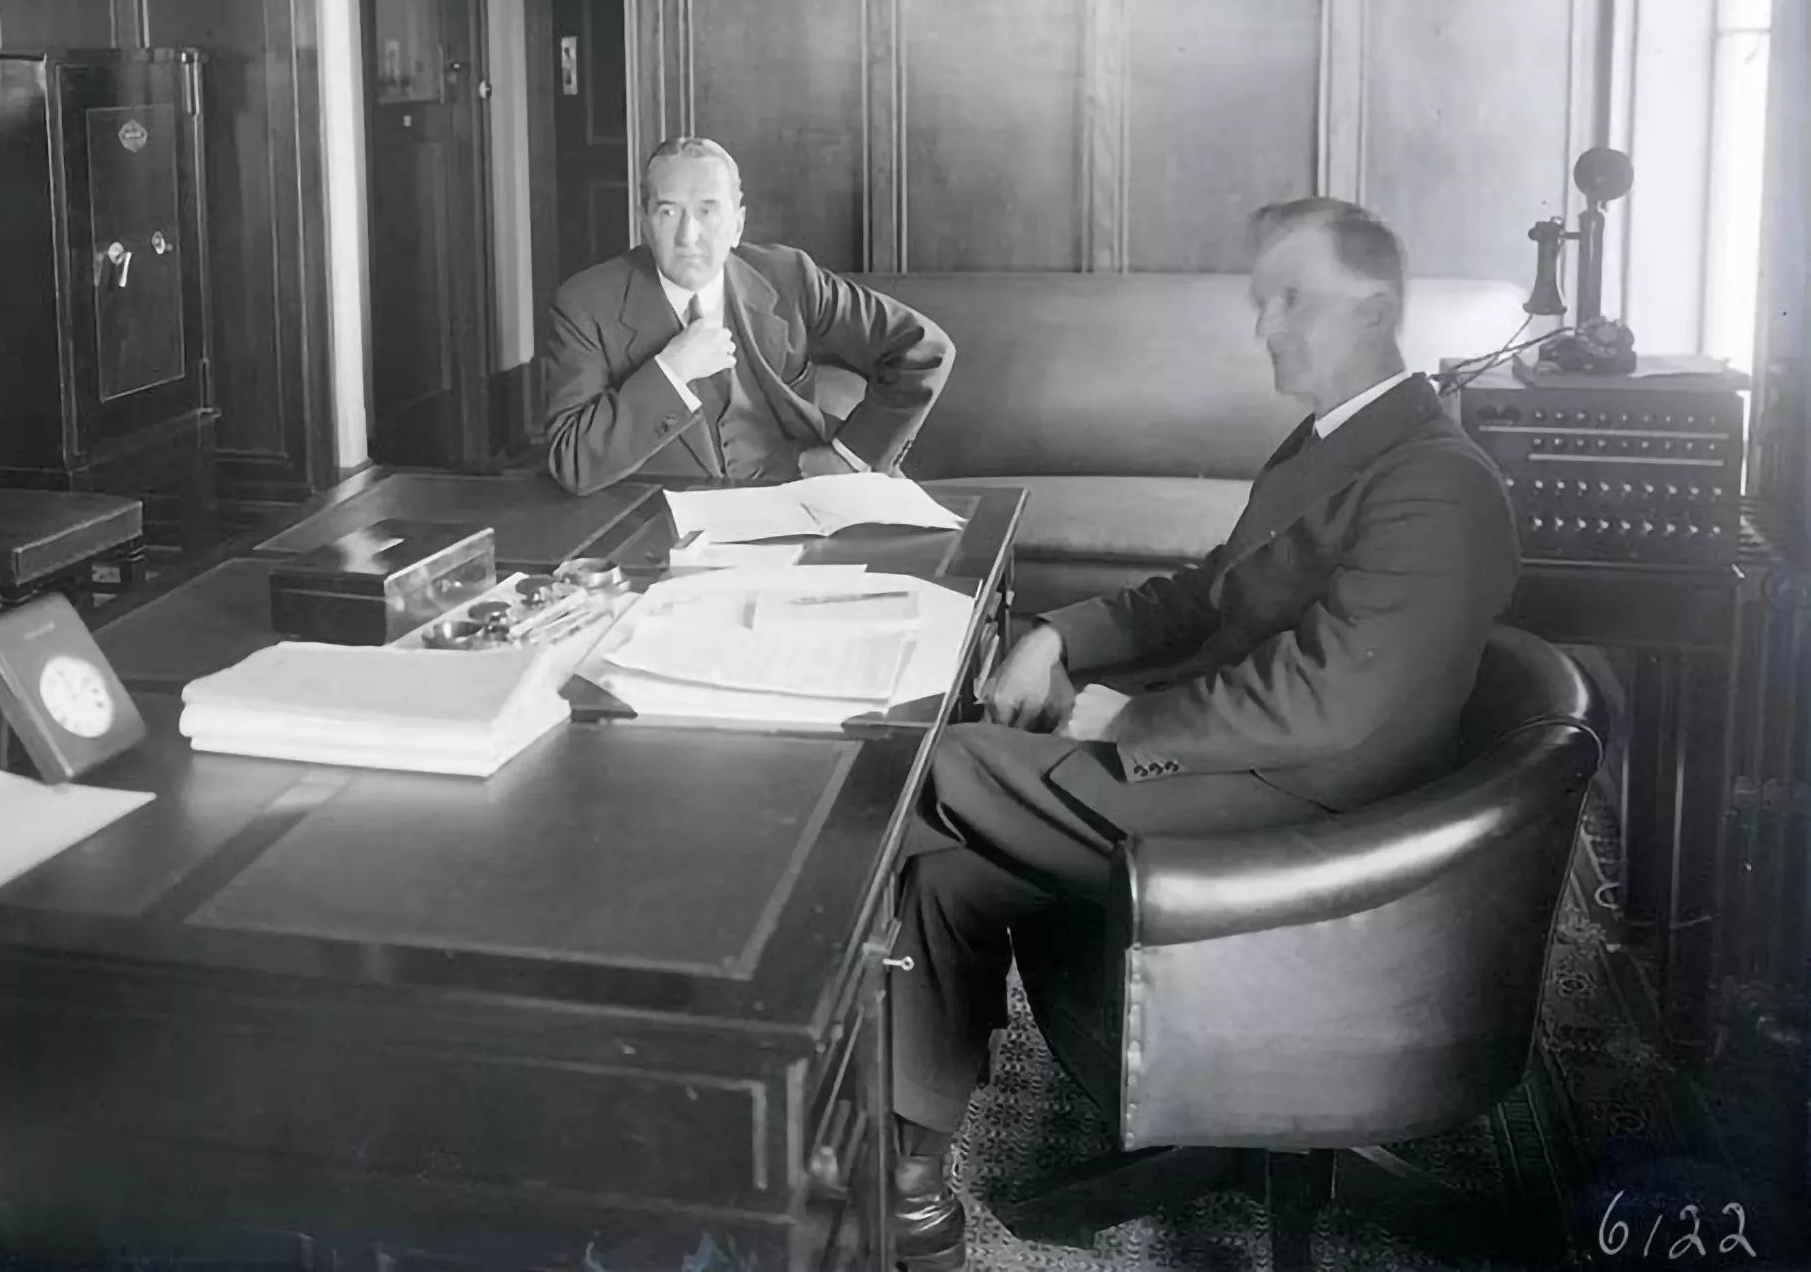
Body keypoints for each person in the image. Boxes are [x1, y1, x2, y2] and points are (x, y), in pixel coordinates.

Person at [884, 199, 1521, 1269]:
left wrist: (1129, 715)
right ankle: (908, 1179)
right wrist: (1057, 633)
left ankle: (778, 1074)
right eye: (1260, 298)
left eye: (1293, 299)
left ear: (1373, 310)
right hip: (1254, 770)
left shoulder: (1436, 477)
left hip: (1314, 817)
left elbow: (1326, 702)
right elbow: (1209, 596)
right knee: (948, 864)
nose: (1265, 325)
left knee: (934, 766)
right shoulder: (1332, 442)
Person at [542, 136, 954, 496]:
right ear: (645, 224)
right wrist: (670, 371)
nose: (688, 237)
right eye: (668, 212)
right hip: (663, 525)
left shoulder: (789, 276)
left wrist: (849, 457)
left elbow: (921, 348)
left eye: (707, 212)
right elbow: (573, 461)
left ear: (737, 224)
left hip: (799, 501)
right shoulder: (585, 304)